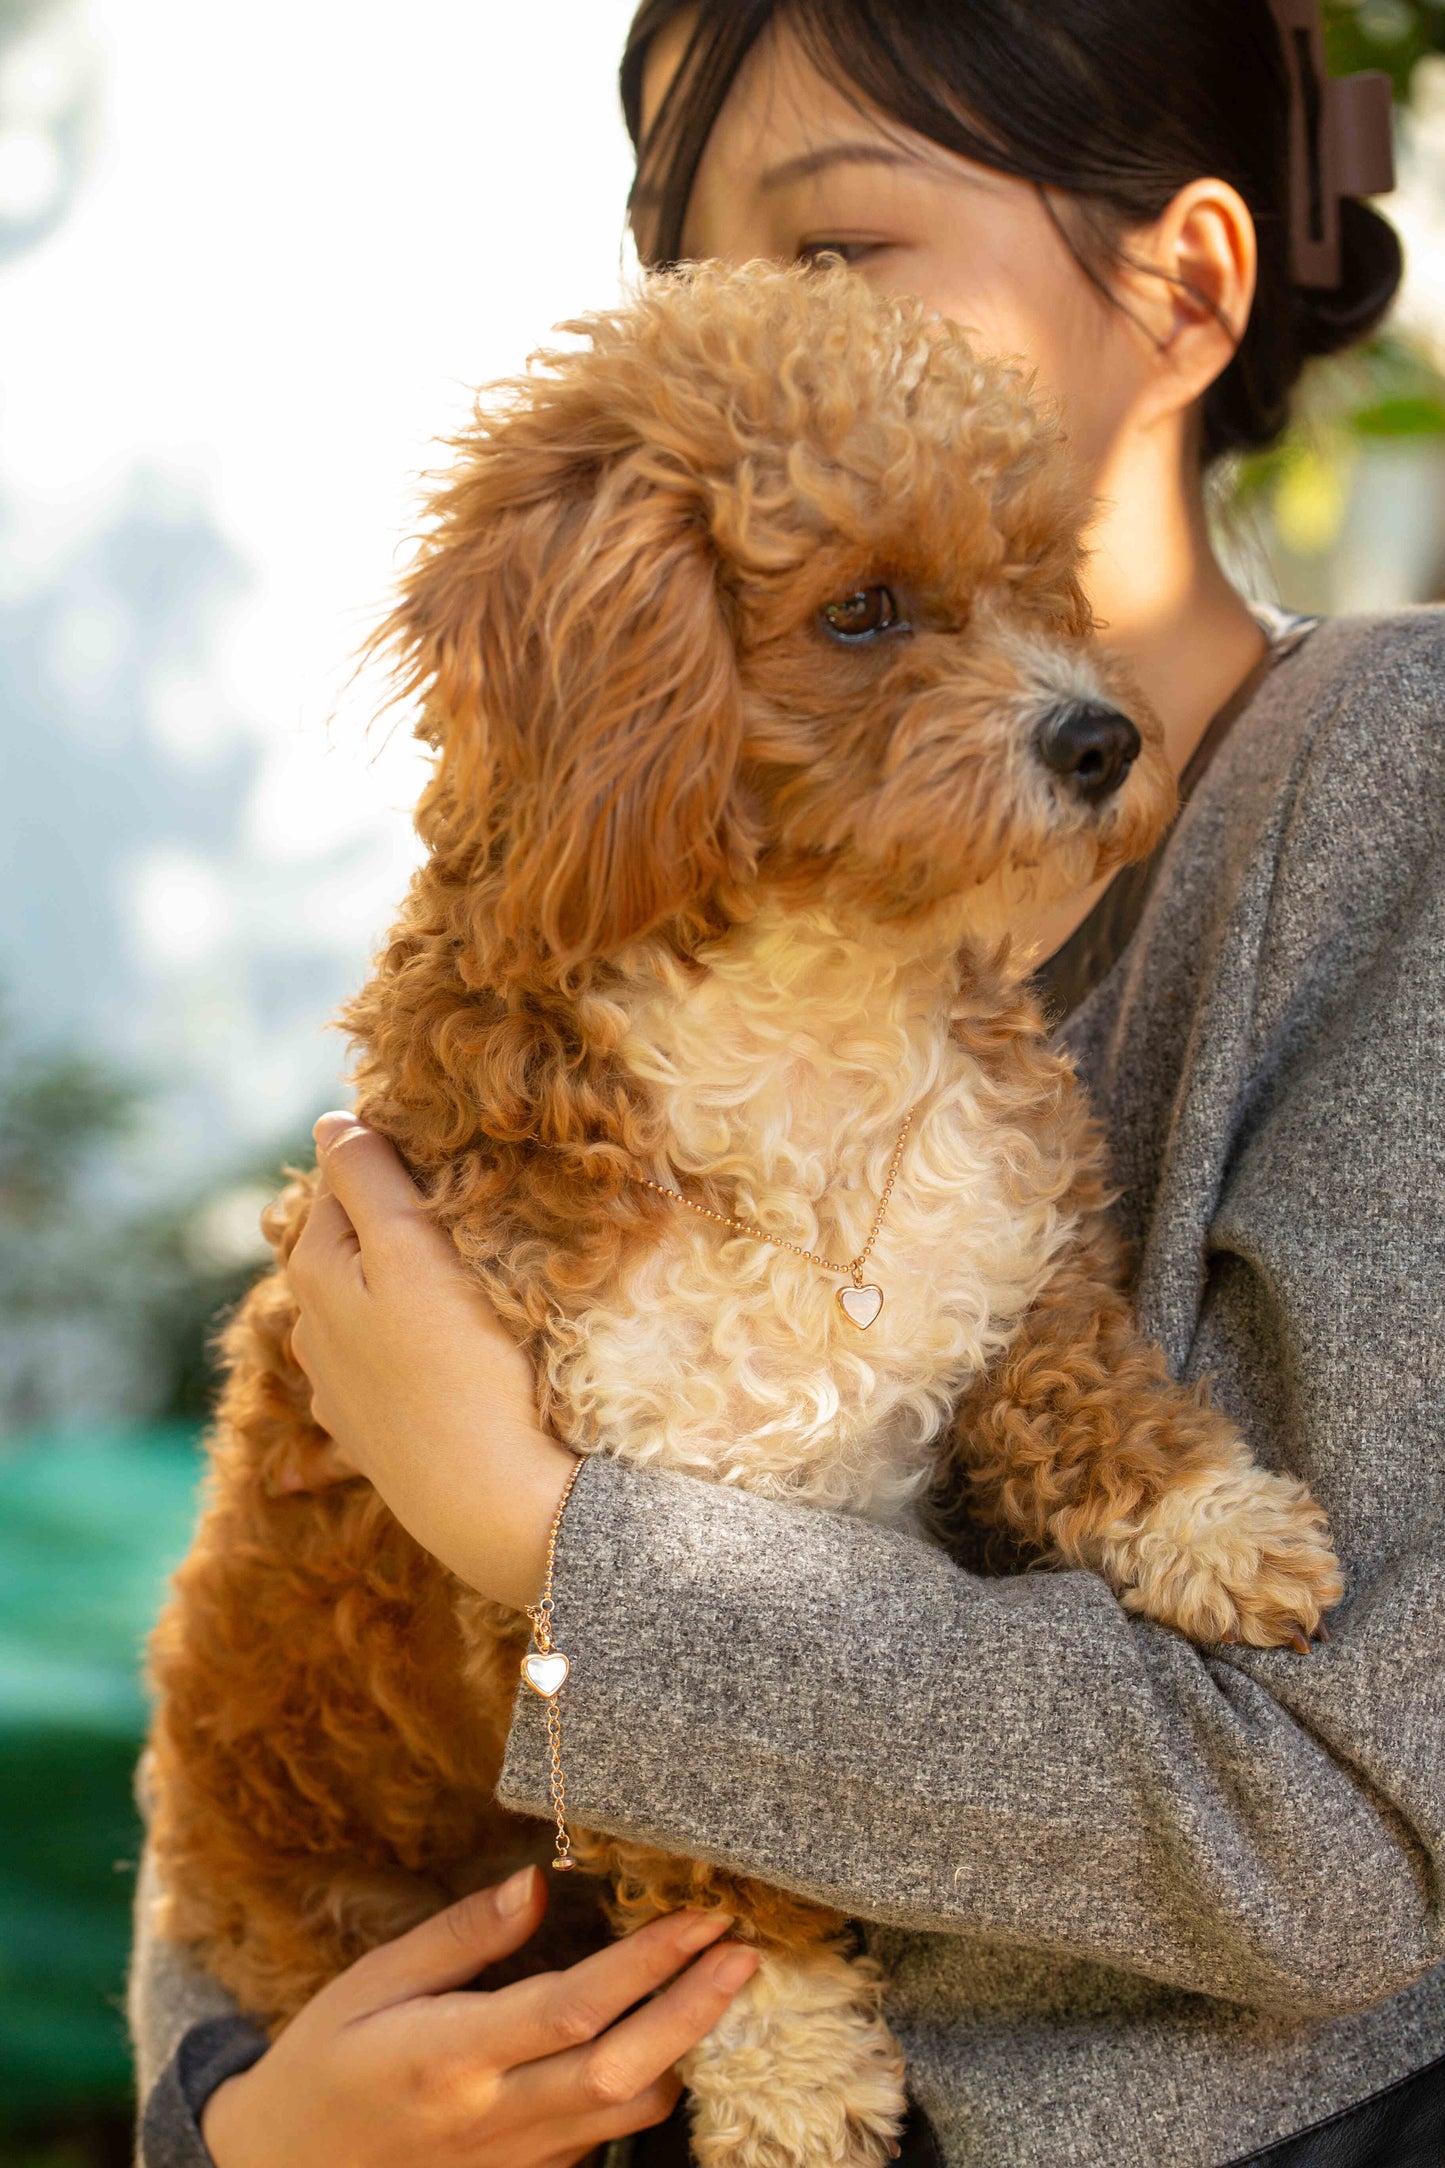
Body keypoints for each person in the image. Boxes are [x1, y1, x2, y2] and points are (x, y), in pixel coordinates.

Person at [128, 2, 1445, 2164]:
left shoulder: (1386, 802)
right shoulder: (617, 907)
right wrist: (239, 2120)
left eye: (834, 254)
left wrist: (549, 1535)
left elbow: (1327, 1823)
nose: (740, 325)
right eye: (683, 267)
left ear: (1192, 289)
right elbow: (282, 1690)